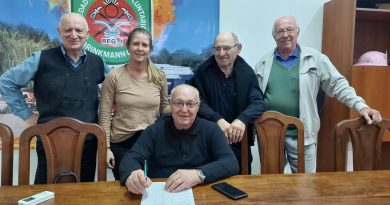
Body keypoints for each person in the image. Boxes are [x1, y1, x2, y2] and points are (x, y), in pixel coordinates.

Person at [255, 16, 382, 173]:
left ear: (297, 31)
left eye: (289, 29)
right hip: (271, 135)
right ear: (274, 36)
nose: (285, 34)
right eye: (280, 31)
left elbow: (338, 85)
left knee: (305, 184)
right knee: (270, 182)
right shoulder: (262, 64)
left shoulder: (315, 59)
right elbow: (255, 99)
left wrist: (361, 106)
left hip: (302, 134)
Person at [0, 13, 110, 183]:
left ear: (87, 34)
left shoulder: (99, 63)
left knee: (84, 193)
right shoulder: (40, 59)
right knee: (47, 192)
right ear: (59, 31)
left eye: (79, 30)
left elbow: (119, 85)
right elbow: (6, 82)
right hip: (48, 140)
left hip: (87, 144)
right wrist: (26, 115)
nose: (74, 35)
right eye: (68, 30)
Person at [119, 84, 239, 194]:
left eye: (190, 104)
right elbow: (131, 158)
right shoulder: (154, 130)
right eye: (178, 103)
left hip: (200, 192)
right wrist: (132, 174)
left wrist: (199, 174)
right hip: (160, 192)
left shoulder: (211, 129)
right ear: (170, 105)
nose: (184, 109)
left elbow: (231, 162)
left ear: (198, 106)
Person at [99, 28, 169, 180]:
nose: (140, 48)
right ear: (128, 47)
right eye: (136, 44)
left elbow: (164, 108)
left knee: (153, 186)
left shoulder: (159, 76)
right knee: (129, 189)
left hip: (152, 142)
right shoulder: (114, 76)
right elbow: (104, 114)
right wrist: (106, 148)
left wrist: (182, 105)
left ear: (150, 49)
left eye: (144, 45)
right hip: (122, 143)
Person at [190, 32, 264, 173]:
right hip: (209, 140)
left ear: (238, 48)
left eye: (226, 48)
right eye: (217, 49)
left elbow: (257, 102)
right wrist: (217, 119)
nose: (221, 53)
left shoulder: (247, 72)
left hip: (240, 141)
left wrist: (242, 120)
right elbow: (197, 102)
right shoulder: (203, 71)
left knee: (241, 184)